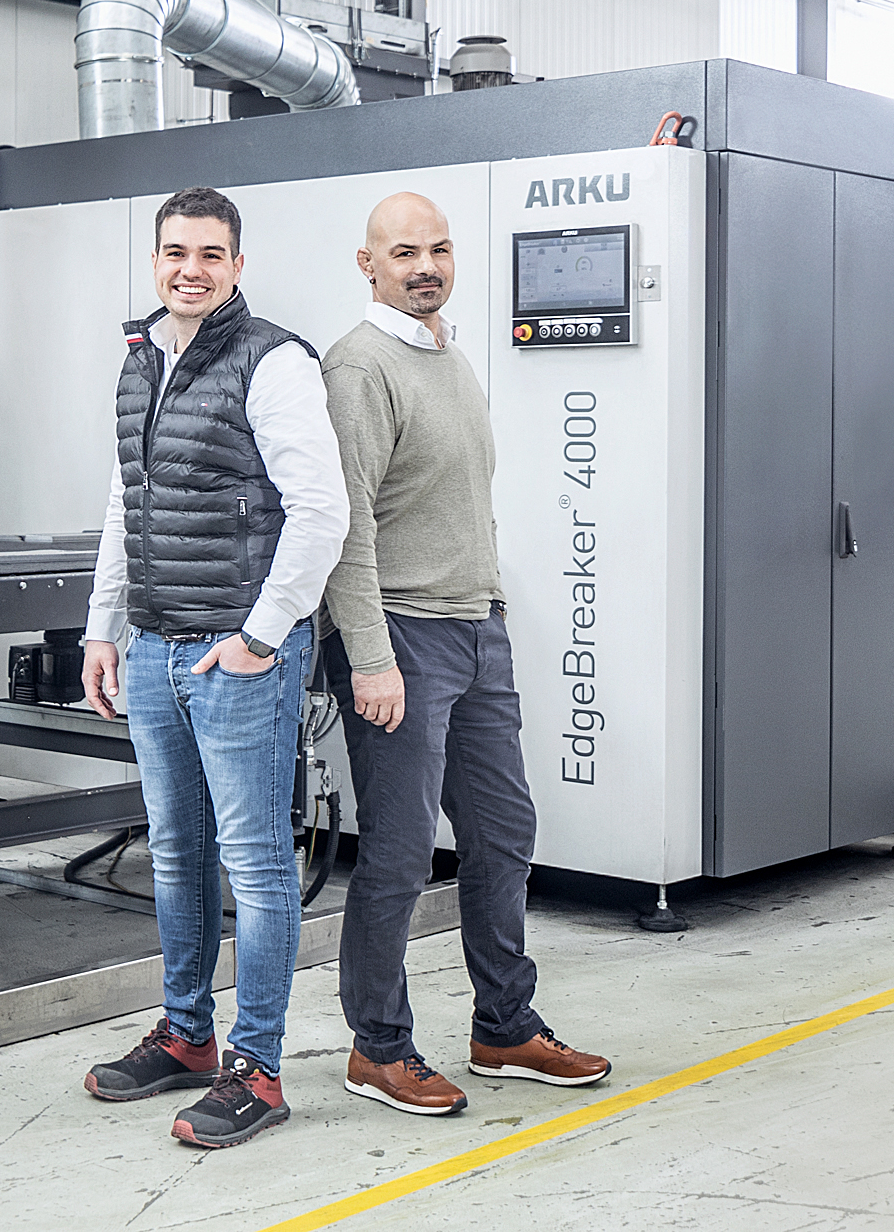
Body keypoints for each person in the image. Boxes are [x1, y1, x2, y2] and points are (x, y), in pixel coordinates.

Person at [319, 191, 610, 1117]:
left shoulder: (448, 354)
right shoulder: (358, 367)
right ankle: (377, 1047)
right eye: (405, 251)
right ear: (368, 263)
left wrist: (491, 609)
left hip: (476, 629)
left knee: (503, 832)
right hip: (402, 635)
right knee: (401, 851)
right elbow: (347, 525)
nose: (425, 266)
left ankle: (504, 1026)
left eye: (438, 249)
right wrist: (370, 655)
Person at [76, 185, 349, 1149]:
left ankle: (257, 1068)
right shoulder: (139, 359)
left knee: (257, 864)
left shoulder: (272, 360)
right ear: (156, 260)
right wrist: (103, 627)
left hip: (238, 654)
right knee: (176, 853)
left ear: (237, 265)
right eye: (175, 252)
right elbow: (127, 502)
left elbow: (321, 512)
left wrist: (262, 637)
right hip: (155, 644)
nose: (189, 269)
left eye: (209, 254)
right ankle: (188, 1036)